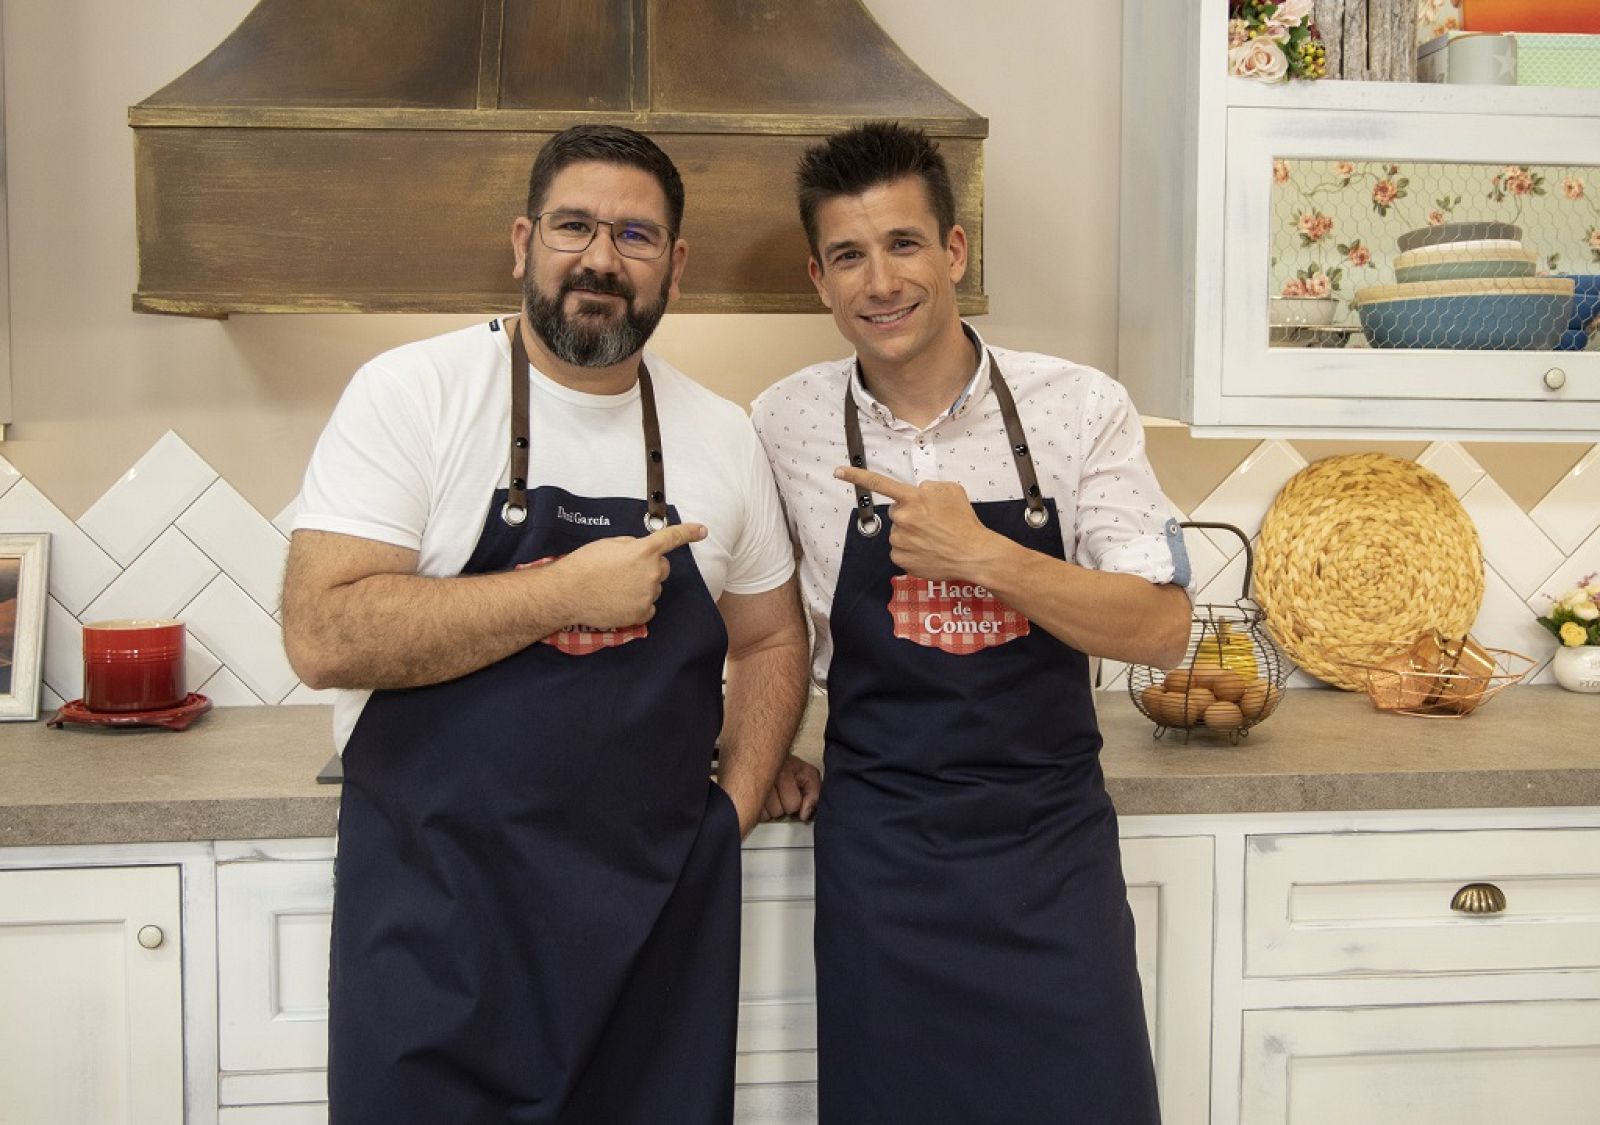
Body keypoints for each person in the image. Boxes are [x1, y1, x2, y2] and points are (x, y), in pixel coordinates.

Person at [281, 124, 810, 1124]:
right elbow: (323, 632)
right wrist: (562, 593)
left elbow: (775, 639)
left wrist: (730, 808)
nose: (601, 259)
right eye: (574, 226)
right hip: (442, 932)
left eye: (635, 235)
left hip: (655, 928)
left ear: (675, 265)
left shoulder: (720, 434)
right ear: (523, 241)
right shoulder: (414, 395)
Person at [751, 122, 1193, 1123]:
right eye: (850, 256)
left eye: (903, 244)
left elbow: (1161, 627)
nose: (880, 281)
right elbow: (754, 623)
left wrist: (982, 554)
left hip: (1049, 851)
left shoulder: (1078, 408)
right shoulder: (781, 424)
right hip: (884, 859)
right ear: (819, 278)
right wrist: (758, 742)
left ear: (953, 251)